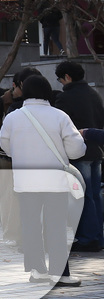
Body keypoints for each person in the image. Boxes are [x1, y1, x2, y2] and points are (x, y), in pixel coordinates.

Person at [0, 74, 86, 287]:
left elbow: (6, 146)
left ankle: (37, 270)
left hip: (25, 181)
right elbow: (76, 149)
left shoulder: (13, 118)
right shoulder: (59, 116)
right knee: (56, 225)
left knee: (30, 224)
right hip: (54, 180)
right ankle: (60, 273)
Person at [52, 60, 104, 252]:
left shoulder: (65, 98)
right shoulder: (94, 94)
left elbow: (61, 128)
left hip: (78, 153)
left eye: (60, 79)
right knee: (96, 195)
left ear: (67, 77)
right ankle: (98, 236)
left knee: (84, 196)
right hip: (97, 151)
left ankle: (87, 238)